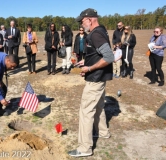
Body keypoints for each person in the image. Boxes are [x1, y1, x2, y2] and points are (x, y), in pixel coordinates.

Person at [68, 8, 114, 157]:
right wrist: (85, 61)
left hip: (95, 79)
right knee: (99, 107)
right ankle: (102, 132)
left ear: (90, 19)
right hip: (100, 78)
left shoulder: (96, 34)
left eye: (82, 21)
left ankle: (84, 148)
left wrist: (89, 68)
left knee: (86, 111)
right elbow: (97, 53)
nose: (81, 25)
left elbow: (108, 57)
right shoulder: (100, 32)